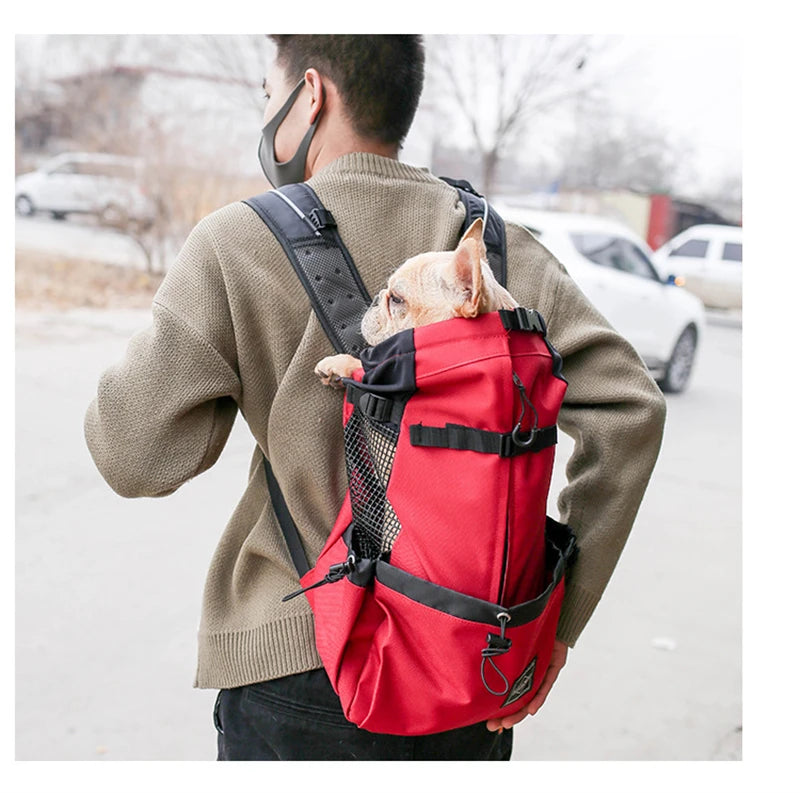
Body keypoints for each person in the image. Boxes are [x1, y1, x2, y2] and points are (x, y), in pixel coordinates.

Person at [84, 34, 667, 761]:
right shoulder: (495, 253)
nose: (266, 120)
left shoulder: (234, 242)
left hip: (291, 662)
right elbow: (631, 408)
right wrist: (557, 622)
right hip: (468, 660)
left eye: (269, 99)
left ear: (312, 95)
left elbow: (133, 457)